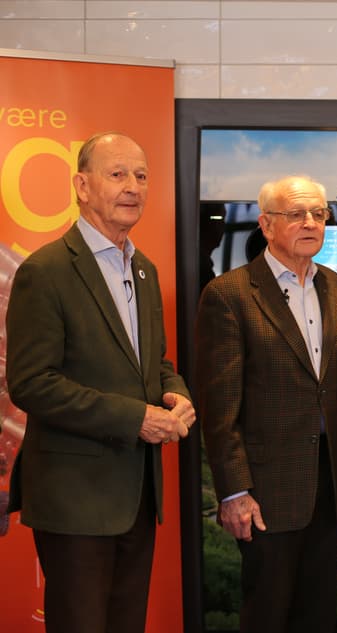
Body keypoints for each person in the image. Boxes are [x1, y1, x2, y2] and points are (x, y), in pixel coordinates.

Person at [196, 175, 337, 633]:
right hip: (265, 487)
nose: (310, 223)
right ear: (265, 224)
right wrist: (235, 492)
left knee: (318, 613)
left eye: (319, 214)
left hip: (331, 482)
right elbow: (220, 408)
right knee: (267, 612)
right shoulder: (230, 295)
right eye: (296, 214)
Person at [5, 131, 195, 633]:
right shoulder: (45, 271)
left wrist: (178, 393)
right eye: (117, 175)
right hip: (75, 499)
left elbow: (153, 362)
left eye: (141, 175)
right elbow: (31, 382)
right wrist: (135, 418)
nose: (133, 186)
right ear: (81, 186)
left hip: (137, 493)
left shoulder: (146, 270)